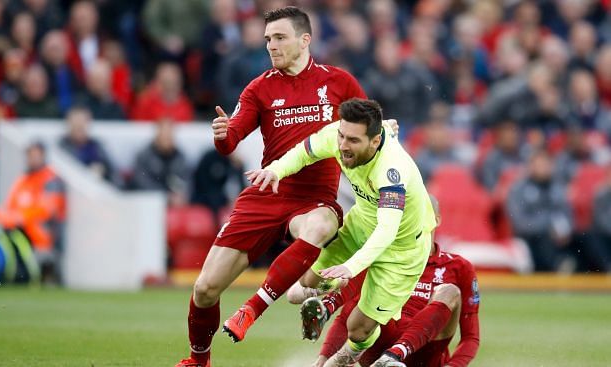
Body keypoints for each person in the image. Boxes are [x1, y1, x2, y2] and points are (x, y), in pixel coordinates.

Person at [175, 6, 366, 367]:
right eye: (267, 40)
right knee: (204, 289)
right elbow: (231, 139)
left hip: (314, 198)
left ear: (304, 39)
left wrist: (384, 130)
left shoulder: (338, 82)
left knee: (322, 224)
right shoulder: (260, 88)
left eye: (280, 38)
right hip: (267, 193)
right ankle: (198, 361)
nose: (271, 46)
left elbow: (369, 127)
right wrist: (221, 135)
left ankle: (252, 309)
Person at [246, 98, 432, 366]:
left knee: (359, 327)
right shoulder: (337, 137)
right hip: (360, 225)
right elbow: (303, 152)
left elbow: (387, 231)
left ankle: (344, 358)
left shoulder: (393, 170)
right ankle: (321, 300)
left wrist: (351, 267)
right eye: (342, 136)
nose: (343, 146)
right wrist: (276, 170)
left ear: (375, 141)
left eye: (353, 141)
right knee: (308, 281)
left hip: (401, 251)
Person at [288, 195, 480, 367]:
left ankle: (393, 355)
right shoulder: (385, 254)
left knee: (450, 291)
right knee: (367, 278)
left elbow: (471, 337)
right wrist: (324, 356)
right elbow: (349, 311)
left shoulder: (459, 266)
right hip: (378, 342)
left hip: (425, 353)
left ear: (436, 219)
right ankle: (328, 308)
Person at [0, 141, 66, 284]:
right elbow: (10, 206)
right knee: (0, 230)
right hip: (21, 230)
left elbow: (48, 209)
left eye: (35, 155)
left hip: (43, 233)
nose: (32, 159)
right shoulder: (22, 180)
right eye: (30, 156)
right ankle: (12, 271)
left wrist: (20, 217)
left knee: (13, 231)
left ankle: (28, 273)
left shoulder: (51, 180)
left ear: (43, 156)